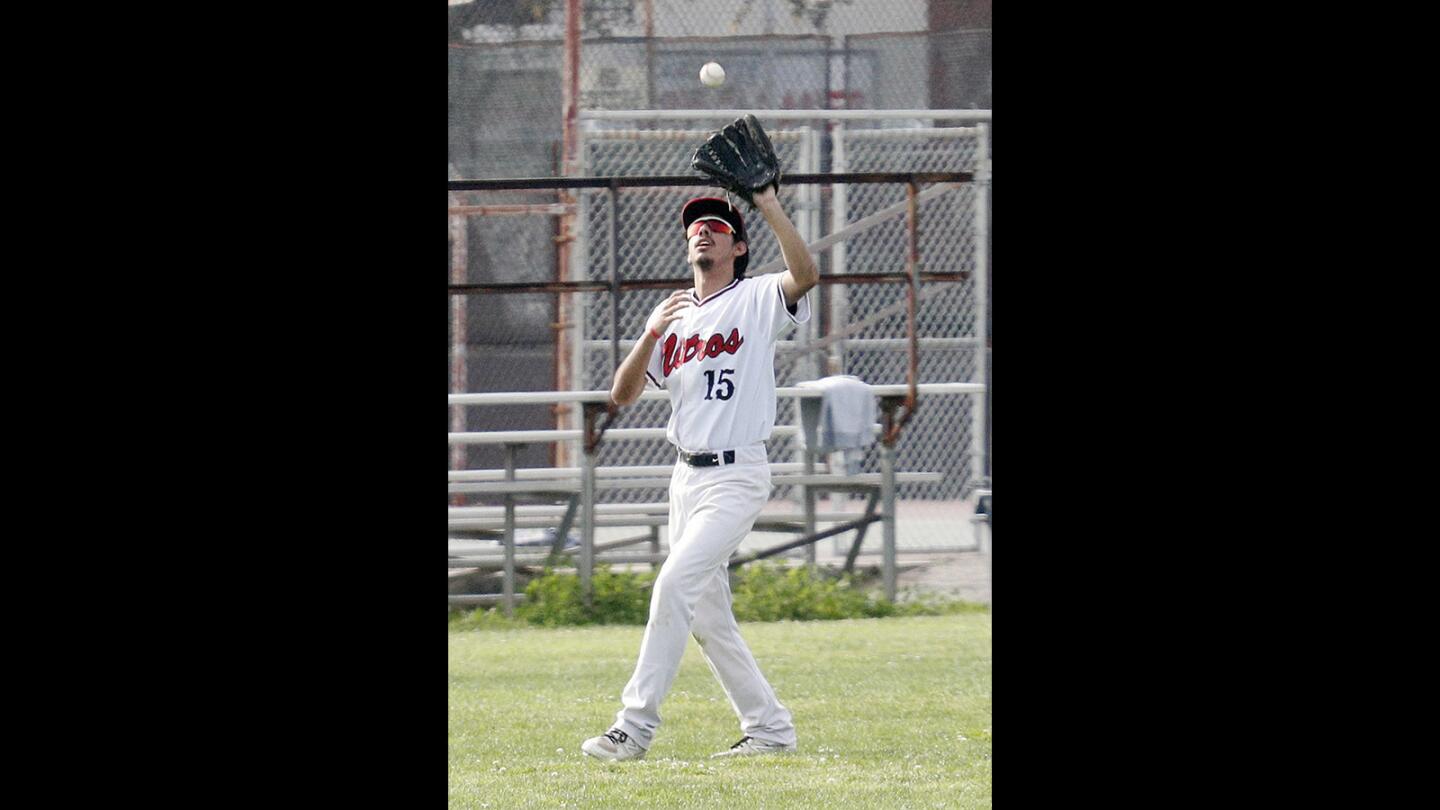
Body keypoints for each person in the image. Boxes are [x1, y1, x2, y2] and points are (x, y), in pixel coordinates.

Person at [581, 187, 819, 762]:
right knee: (709, 618)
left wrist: (765, 202)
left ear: (738, 247)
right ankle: (770, 730)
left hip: (737, 473)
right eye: (695, 225)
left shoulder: (758, 296)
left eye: (716, 226)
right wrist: (649, 334)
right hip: (685, 480)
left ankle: (632, 728)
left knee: (671, 586)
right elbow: (621, 394)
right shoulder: (675, 313)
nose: (702, 231)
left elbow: (806, 274)